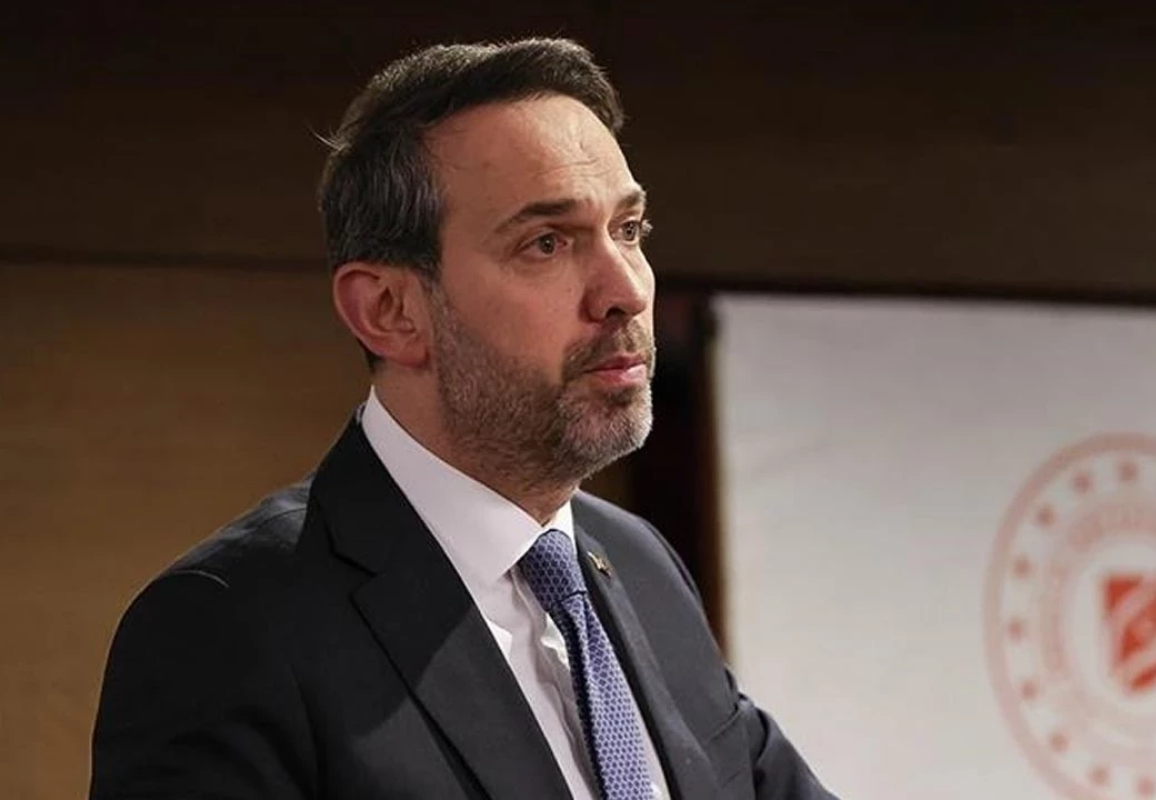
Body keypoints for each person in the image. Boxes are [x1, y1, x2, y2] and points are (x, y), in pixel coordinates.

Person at [89, 38, 838, 800]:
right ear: (390, 311)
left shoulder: (640, 563)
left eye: (628, 230)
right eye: (547, 243)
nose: (626, 291)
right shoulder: (229, 628)